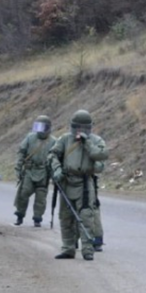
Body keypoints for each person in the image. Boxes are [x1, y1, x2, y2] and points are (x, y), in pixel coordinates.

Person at [48, 110, 109, 261]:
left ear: (89, 128)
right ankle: (68, 248)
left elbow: (101, 155)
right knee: (65, 216)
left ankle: (88, 250)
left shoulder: (96, 141)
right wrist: (56, 169)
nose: (79, 131)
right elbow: (52, 154)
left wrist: (86, 142)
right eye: (76, 127)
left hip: (85, 183)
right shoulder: (64, 139)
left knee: (86, 216)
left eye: (83, 128)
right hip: (66, 181)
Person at [13, 115, 57, 227]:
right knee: (23, 193)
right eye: (38, 126)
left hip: (44, 173)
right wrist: (18, 167)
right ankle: (20, 215)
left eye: (42, 127)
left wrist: (55, 173)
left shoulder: (53, 141)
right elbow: (21, 152)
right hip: (29, 170)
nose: (40, 130)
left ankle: (37, 218)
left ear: (48, 128)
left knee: (40, 198)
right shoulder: (30, 138)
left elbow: (56, 158)